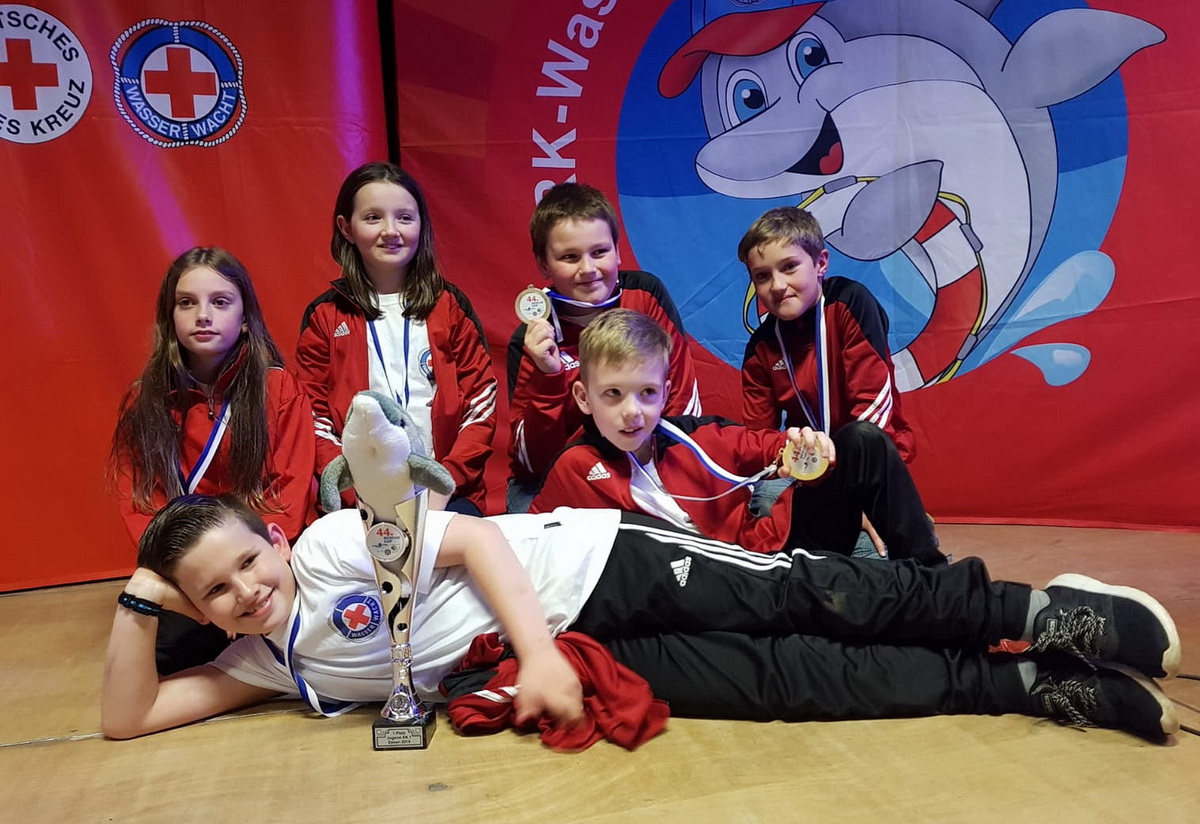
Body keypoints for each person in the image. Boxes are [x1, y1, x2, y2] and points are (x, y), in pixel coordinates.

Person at [100, 494, 1181, 744]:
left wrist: (536, 657)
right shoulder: (268, 662)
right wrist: (138, 601)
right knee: (785, 686)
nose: (245, 591)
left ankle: (1041, 613)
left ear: (275, 537)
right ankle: (1022, 682)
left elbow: (475, 542)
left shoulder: (336, 539)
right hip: (579, 653)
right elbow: (127, 717)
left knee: (807, 591)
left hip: (591, 567)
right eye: (213, 590)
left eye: (247, 560)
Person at [530, 309, 945, 563]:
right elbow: (528, 541)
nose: (632, 411)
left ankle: (930, 574)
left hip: (773, 557)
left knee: (862, 440)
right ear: (584, 398)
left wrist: (805, 447)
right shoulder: (575, 467)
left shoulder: (698, 437)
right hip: (701, 592)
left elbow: (772, 445)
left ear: (665, 394)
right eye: (613, 394)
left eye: (647, 393)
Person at [109, 247, 316, 672]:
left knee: (315, 639)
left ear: (245, 317)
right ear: (170, 317)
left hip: (264, 561)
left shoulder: (278, 388)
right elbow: (142, 504)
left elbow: (288, 493)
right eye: (187, 303)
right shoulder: (142, 401)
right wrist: (195, 583)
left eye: (220, 302)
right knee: (164, 656)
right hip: (196, 576)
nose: (203, 315)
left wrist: (244, 575)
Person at [295, 162, 497, 516]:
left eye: (405, 218)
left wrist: (444, 481)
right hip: (357, 499)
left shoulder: (449, 306)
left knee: (462, 547)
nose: (391, 231)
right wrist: (353, 488)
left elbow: (481, 400)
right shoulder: (326, 315)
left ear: (421, 224)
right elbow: (313, 414)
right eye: (373, 218)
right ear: (346, 228)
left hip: (447, 494)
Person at [507, 182, 701, 512]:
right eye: (569, 257)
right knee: (530, 524)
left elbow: (681, 404)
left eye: (599, 252)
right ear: (543, 264)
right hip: (564, 476)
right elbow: (533, 465)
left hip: (651, 463)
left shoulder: (645, 296)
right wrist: (548, 377)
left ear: (617, 251)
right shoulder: (532, 339)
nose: (588, 269)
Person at [740, 207, 917, 555]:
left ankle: (897, 541)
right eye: (762, 276)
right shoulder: (760, 346)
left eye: (789, 267)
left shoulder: (849, 304)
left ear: (820, 263)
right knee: (764, 500)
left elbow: (873, 420)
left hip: (866, 469)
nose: (777, 285)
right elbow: (759, 443)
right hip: (806, 473)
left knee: (874, 556)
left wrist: (858, 499)